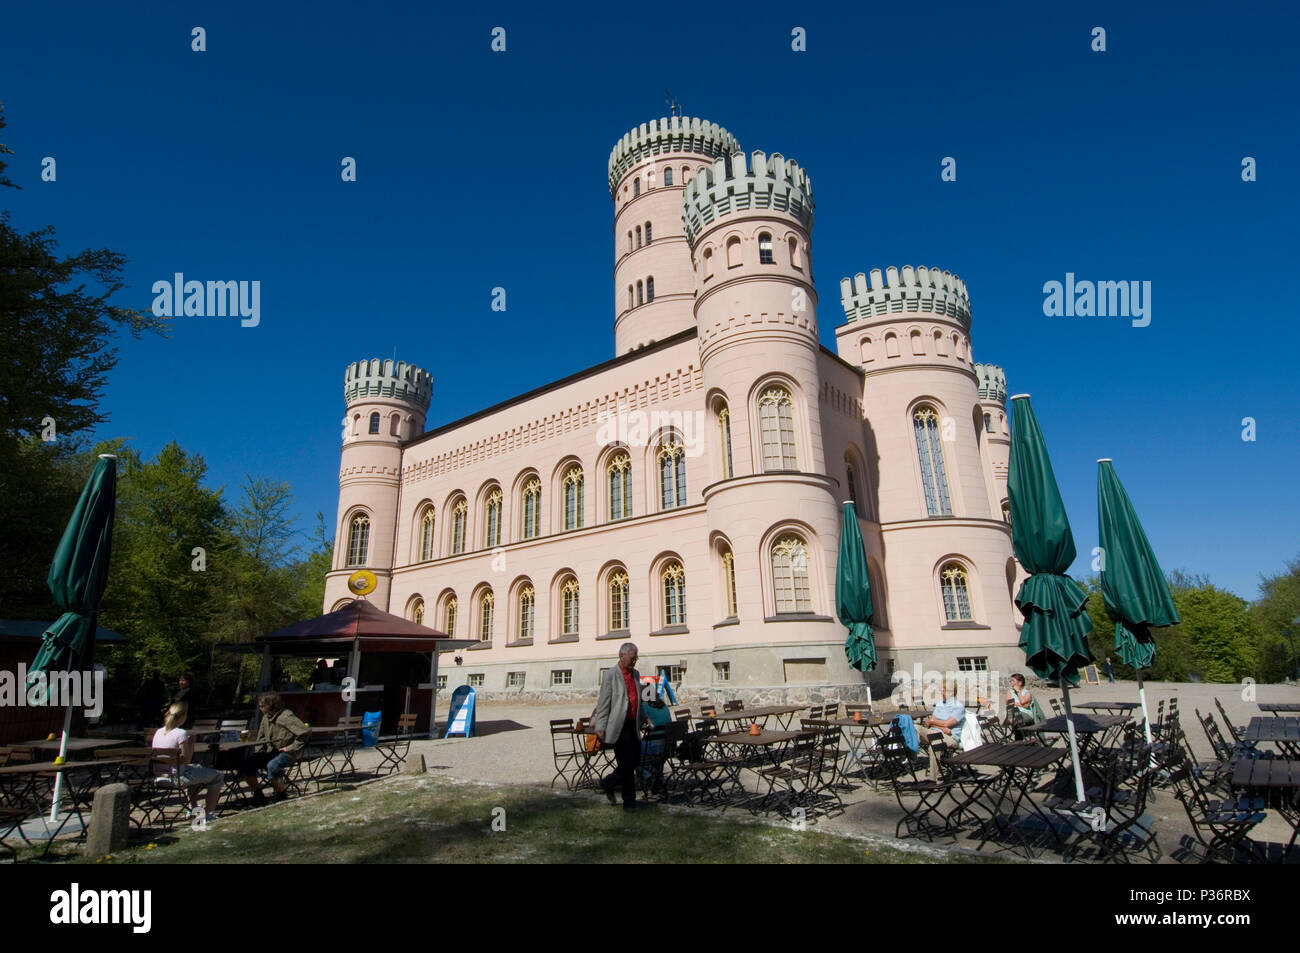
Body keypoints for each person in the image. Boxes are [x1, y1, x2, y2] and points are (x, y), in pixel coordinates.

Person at [592, 642, 651, 812]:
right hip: (619, 725)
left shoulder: (636, 674)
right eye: (632, 658)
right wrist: (600, 726)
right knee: (626, 763)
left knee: (634, 761)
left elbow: (636, 700)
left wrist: (644, 718)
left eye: (636, 658)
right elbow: (603, 704)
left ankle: (608, 782)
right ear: (622, 656)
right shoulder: (611, 675)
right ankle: (629, 803)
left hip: (633, 725)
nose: (634, 661)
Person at [152, 702, 224, 823]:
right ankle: (209, 813)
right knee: (218, 775)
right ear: (183, 716)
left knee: (197, 769)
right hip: (176, 777)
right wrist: (191, 743)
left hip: (159, 777)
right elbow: (186, 760)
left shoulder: (158, 732)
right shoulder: (181, 733)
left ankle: (193, 808)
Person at [237, 692, 311, 805]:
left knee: (272, 766)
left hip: (287, 753)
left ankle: (281, 794)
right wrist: (259, 752)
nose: (260, 708)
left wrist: (291, 747)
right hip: (271, 752)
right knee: (247, 764)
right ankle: (258, 794)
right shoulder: (266, 717)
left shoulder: (286, 716)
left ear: (270, 705)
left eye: (262, 706)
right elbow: (261, 737)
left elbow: (305, 732)